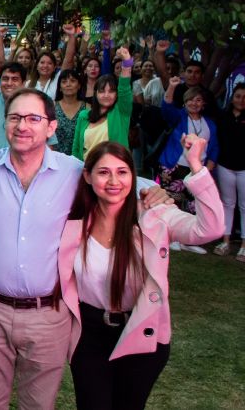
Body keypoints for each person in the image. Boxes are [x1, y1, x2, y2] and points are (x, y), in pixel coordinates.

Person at [0, 88, 169, 410]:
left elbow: (120, 179)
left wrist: (156, 192)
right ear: (5, 123)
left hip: (49, 314)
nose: (22, 126)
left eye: (33, 118)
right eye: (15, 118)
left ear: (51, 127)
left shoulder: (73, 171)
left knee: (39, 405)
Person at [59, 139, 224, 409]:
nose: (114, 180)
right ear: (88, 176)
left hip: (140, 333)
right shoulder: (73, 220)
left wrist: (196, 167)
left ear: (133, 176)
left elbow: (209, 230)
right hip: (89, 335)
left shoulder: (155, 215)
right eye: (103, 172)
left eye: (122, 172)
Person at [157, 76, 219, 254]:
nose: (194, 103)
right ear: (184, 102)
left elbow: (214, 147)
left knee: (193, 204)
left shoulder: (210, 124)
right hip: (173, 165)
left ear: (204, 104)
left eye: (198, 100)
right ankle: (170, 236)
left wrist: (210, 166)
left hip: (197, 168)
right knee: (172, 200)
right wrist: (171, 86)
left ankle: (189, 239)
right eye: (190, 99)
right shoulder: (179, 117)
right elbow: (166, 107)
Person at [72, 48, 134, 160]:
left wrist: (126, 62)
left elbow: (124, 87)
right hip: (86, 171)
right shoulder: (84, 116)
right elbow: (76, 148)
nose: (106, 95)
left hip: (114, 170)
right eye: (102, 91)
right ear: (95, 94)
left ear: (117, 94)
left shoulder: (121, 112)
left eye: (111, 91)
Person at [212, 83, 245, 261]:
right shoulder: (223, 116)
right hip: (225, 166)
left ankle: (243, 246)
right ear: (232, 98)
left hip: (244, 168)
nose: (241, 100)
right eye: (238, 96)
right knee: (227, 203)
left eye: (244, 97)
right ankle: (225, 241)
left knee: (244, 206)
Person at [53, 69, 86, 155]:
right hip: (56, 157)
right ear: (59, 87)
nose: (68, 84)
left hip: (81, 158)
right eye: (64, 82)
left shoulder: (88, 107)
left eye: (72, 81)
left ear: (79, 86)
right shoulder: (52, 107)